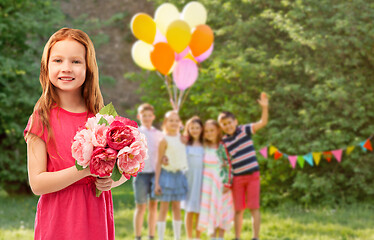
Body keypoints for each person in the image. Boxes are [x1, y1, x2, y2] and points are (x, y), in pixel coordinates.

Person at [24, 28, 127, 240]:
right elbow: (37, 183)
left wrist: (111, 182)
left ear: (89, 68)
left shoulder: (101, 119)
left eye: (76, 62)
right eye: (58, 60)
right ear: (46, 66)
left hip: (95, 217)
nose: (66, 68)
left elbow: (123, 170)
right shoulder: (41, 118)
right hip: (58, 221)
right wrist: (85, 170)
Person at [218, 92, 269, 240]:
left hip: (253, 175)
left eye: (229, 122)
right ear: (221, 127)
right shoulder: (224, 142)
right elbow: (224, 161)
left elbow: (263, 122)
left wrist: (264, 108)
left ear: (235, 121)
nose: (228, 126)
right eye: (224, 124)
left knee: (254, 207)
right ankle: (238, 237)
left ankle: (255, 237)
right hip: (237, 178)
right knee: (239, 209)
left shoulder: (244, 130)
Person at [152, 110, 188, 240]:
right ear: (165, 123)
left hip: (178, 176)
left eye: (176, 120)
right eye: (170, 120)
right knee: (164, 207)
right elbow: (158, 161)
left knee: (177, 207)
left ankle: (177, 237)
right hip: (166, 177)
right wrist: (156, 183)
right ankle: (161, 237)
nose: (174, 123)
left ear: (180, 123)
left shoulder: (182, 139)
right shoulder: (164, 140)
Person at [197, 120, 234, 240]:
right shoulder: (203, 146)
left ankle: (221, 236)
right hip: (207, 183)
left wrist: (228, 183)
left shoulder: (222, 146)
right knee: (210, 209)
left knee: (221, 208)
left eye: (212, 130)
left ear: (218, 130)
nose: (209, 133)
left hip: (221, 181)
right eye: (206, 131)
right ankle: (212, 236)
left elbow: (228, 164)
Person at [133, 103, 163, 240]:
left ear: (153, 117)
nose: (146, 118)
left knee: (153, 206)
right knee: (141, 206)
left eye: (149, 115)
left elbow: (163, 153)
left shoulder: (159, 134)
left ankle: (151, 235)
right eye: (144, 115)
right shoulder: (136, 133)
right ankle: (138, 236)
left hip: (155, 175)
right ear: (139, 116)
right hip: (140, 175)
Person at [181, 116, 205, 240]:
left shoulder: (205, 144)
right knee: (189, 209)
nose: (195, 130)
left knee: (200, 210)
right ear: (188, 129)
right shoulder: (186, 143)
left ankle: (197, 236)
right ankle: (189, 237)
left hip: (202, 179)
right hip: (189, 179)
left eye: (197, 128)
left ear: (202, 129)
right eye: (192, 128)